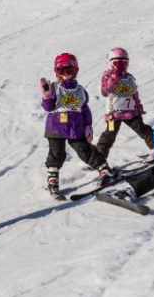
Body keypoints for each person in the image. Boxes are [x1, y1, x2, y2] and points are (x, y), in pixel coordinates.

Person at [41, 53, 117, 198]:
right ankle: (52, 179)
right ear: (57, 72)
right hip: (56, 126)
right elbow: (48, 107)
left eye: (69, 70)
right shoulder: (54, 87)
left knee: (85, 150)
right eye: (62, 71)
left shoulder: (80, 90)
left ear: (75, 70)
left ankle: (103, 168)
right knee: (57, 153)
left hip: (76, 126)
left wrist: (88, 125)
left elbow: (85, 109)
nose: (66, 74)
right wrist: (47, 97)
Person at [95, 48, 154, 160]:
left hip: (130, 113)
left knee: (144, 130)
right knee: (109, 136)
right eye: (116, 63)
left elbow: (134, 95)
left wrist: (139, 108)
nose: (121, 66)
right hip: (114, 114)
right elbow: (106, 90)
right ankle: (99, 159)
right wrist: (115, 76)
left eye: (124, 63)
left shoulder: (129, 78)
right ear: (109, 63)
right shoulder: (107, 76)